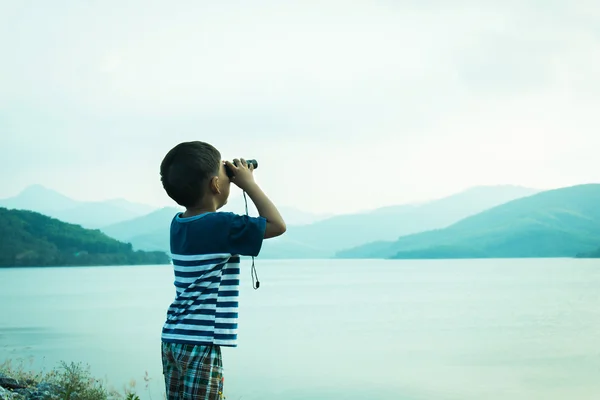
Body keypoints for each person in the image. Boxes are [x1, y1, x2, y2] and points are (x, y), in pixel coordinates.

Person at [158, 140, 286, 399]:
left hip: (173, 337)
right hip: (201, 342)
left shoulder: (178, 223)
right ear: (215, 185)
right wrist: (248, 183)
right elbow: (277, 224)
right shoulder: (222, 226)